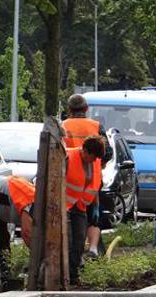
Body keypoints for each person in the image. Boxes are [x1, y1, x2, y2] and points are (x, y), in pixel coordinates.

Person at [61, 94, 112, 263]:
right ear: (86, 109)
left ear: (69, 110)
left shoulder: (63, 126)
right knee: (93, 215)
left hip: (69, 177)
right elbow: (108, 152)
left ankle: (71, 253)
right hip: (93, 178)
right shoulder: (96, 126)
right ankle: (92, 249)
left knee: (69, 216)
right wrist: (100, 164)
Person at [64, 136, 106, 284]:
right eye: (92, 157)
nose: (94, 161)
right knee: (67, 241)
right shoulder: (68, 157)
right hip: (65, 206)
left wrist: (95, 206)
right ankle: (65, 275)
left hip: (81, 206)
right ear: (85, 151)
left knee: (80, 240)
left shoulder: (95, 162)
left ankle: (74, 274)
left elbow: (95, 186)